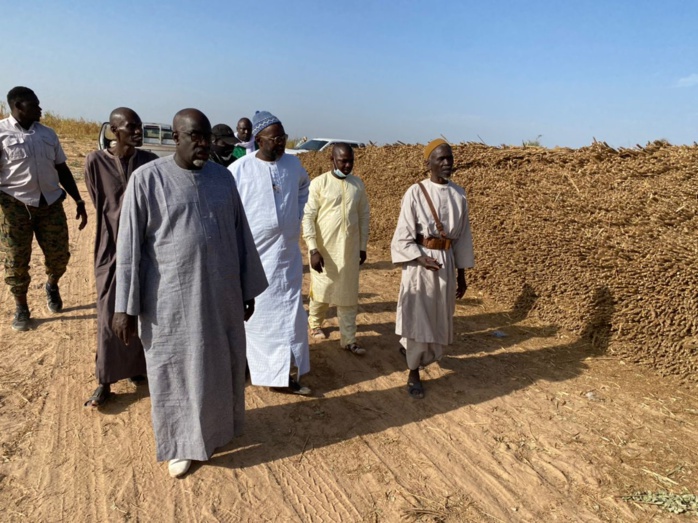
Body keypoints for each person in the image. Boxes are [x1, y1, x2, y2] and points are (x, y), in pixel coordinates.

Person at [112, 108, 267, 478]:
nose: (203, 144)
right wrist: (125, 308)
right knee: (177, 369)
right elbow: (129, 247)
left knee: (219, 363)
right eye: (194, 137)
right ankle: (182, 443)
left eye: (206, 137)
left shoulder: (222, 179)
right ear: (175, 137)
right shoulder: (147, 179)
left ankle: (216, 430)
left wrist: (247, 287)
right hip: (171, 300)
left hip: (222, 293)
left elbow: (240, 235)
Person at [229, 111, 311, 395]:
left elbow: (304, 189)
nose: (280, 144)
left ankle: (282, 373)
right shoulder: (239, 169)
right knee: (257, 319)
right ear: (259, 139)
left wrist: (295, 216)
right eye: (275, 139)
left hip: (286, 257)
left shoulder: (293, 165)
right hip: (256, 258)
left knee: (289, 316)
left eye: (283, 138)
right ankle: (253, 366)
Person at [83, 108, 158, 407]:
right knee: (108, 311)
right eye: (132, 127)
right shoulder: (95, 161)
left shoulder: (150, 162)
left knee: (143, 308)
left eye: (140, 126)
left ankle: (136, 367)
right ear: (115, 130)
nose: (139, 132)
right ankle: (106, 378)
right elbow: (99, 201)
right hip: (110, 247)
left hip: (144, 247)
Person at [390, 139, 474, 399]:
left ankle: (422, 355)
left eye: (450, 158)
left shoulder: (459, 194)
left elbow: (462, 239)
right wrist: (419, 258)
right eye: (441, 159)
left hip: (446, 264)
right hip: (421, 265)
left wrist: (461, 275)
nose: (447, 163)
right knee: (418, 316)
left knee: (440, 315)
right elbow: (402, 236)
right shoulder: (415, 192)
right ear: (428, 164)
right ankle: (413, 371)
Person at [0, 86, 88, 331]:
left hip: (50, 204)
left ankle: (52, 284)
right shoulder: (1, 133)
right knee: (16, 260)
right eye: (35, 105)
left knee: (60, 256)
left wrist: (79, 200)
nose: (40, 109)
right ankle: (21, 307)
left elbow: (62, 169)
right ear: (18, 107)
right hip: (15, 206)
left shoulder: (48, 134)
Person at [302, 143, 370, 355]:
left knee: (348, 295)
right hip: (324, 252)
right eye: (343, 161)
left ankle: (349, 340)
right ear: (331, 159)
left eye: (351, 161)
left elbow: (363, 216)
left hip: (348, 251)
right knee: (322, 292)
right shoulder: (319, 184)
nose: (348, 165)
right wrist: (313, 249)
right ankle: (315, 324)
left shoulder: (357, 185)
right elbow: (308, 217)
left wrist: (362, 247)